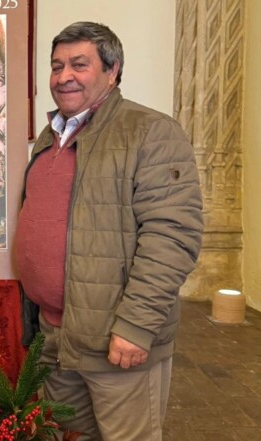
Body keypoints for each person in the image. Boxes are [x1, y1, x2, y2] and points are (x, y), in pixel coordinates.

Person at [15, 22, 203, 441]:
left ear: (112, 70)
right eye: (57, 66)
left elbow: (172, 238)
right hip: (56, 336)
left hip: (116, 342)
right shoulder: (51, 136)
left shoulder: (149, 131)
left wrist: (136, 327)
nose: (64, 76)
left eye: (79, 64)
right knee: (67, 435)